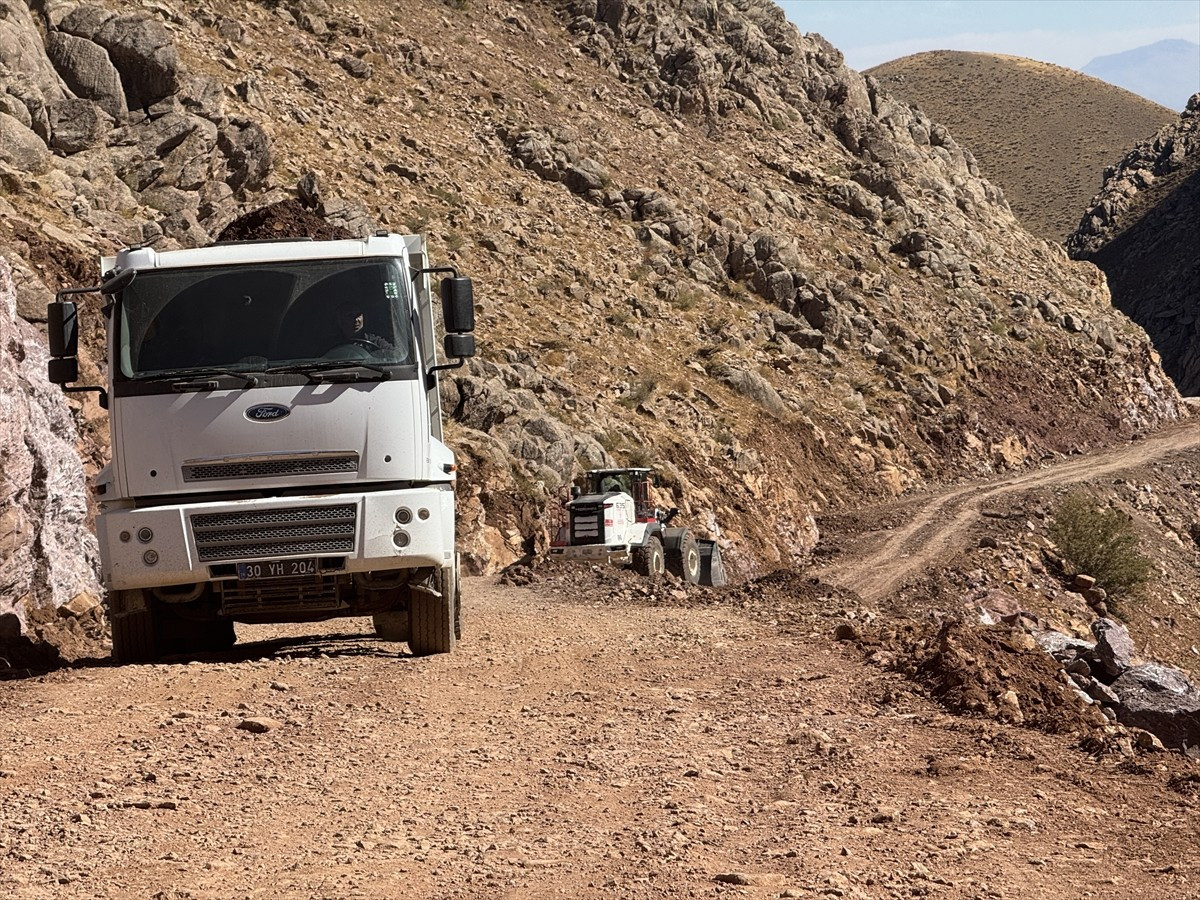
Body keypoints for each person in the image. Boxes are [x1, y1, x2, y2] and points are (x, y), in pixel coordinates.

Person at [326, 301, 395, 356]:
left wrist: (374, 356)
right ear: (340, 320)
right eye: (350, 316)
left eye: (358, 315)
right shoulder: (331, 344)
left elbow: (396, 355)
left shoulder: (375, 341)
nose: (356, 320)